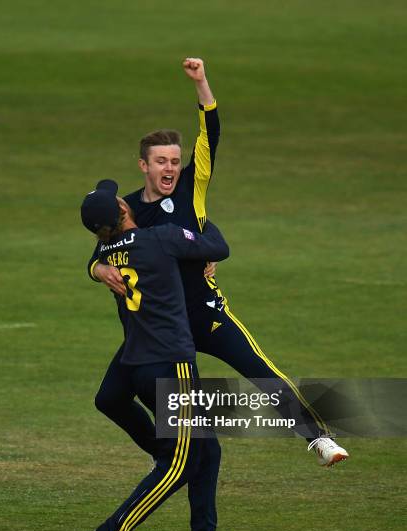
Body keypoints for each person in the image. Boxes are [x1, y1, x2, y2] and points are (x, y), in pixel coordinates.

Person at [88, 57, 348, 467]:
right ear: (144, 165)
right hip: (160, 327)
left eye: (175, 160)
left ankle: (319, 438)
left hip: (205, 311)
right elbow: (102, 247)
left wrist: (201, 82)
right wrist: (96, 269)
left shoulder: (193, 185)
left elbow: (211, 134)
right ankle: (166, 457)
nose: (170, 167)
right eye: (161, 161)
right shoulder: (129, 209)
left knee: (258, 367)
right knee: (111, 397)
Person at [80, 180, 255, 531]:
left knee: (206, 450)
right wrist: (202, 221)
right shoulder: (161, 239)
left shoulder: (106, 255)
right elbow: (219, 247)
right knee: (184, 459)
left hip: (135, 360)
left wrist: (94, 263)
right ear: (123, 212)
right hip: (170, 362)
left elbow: (106, 204)